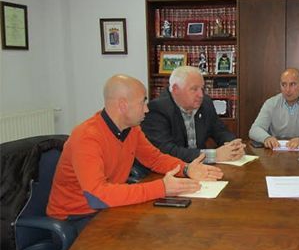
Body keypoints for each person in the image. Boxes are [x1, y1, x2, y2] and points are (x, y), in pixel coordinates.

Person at [46, 74, 223, 231]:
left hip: (107, 209)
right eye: (143, 102)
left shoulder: (131, 129)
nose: (147, 109)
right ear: (123, 105)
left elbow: (154, 158)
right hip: (75, 218)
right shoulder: (87, 137)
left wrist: (186, 169)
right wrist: (161, 188)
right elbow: (97, 196)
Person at [141, 66, 245, 163]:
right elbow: (167, 151)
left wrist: (233, 145)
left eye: (202, 89)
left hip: (200, 169)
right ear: (176, 89)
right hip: (171, 172)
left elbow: (220, 131)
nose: (200, 95)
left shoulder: (206, 103)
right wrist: (214, 155)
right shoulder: (157, 110)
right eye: (194, 89)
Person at [249, 68, 299, 149]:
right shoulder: (271, 103)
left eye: (292, 84)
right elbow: (255, 129)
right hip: (277, 152)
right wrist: (266, 138)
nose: (287, 90)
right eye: (284, 84)